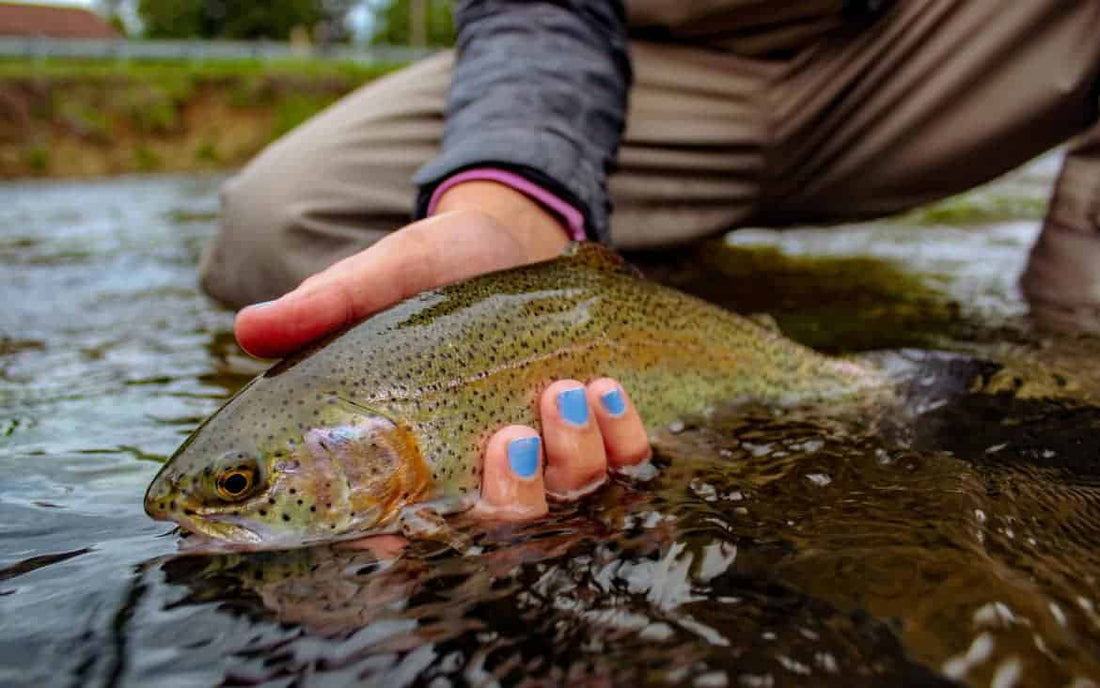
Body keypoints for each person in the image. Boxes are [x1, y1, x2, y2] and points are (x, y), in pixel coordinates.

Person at [199, 1, 1100, 520]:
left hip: (946, 44)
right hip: (637, 54)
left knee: (1074, 369)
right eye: (241, 483)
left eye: (240, 487)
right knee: (274, 231)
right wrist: (512, 203)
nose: (228, 504)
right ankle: (642, 285)